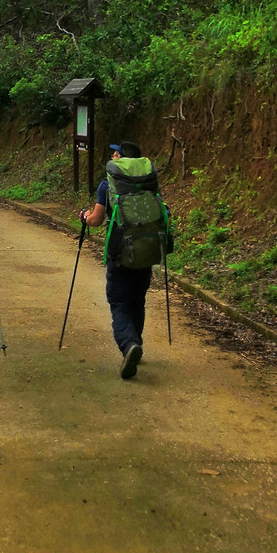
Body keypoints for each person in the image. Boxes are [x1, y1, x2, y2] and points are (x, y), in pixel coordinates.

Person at [81, 140, 170, 379]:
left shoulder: (107, 185)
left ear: (122, 159)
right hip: (146, 249)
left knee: (119, 302)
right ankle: (135, 342)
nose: (112, 157)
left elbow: (96, 220)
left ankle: (129, 344)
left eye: (115, 154)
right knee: (137, 300)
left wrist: (84, 216)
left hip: (119, 252)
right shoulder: (149, 183)